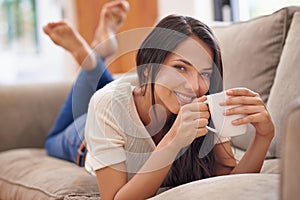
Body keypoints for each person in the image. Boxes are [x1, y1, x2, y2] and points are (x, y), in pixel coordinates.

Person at [44, 0, 275, 199]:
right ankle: (91, 58)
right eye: (180, 67)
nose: (195, 86)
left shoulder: (208, 104)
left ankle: (98, 54)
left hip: (137, 94)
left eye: (204, 73)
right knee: (53, 139)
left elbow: (231, 180)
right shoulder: (106, 105)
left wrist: (264, 136)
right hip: (85, 137)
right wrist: (173, 141)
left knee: (116, 92)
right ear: (147, 71)